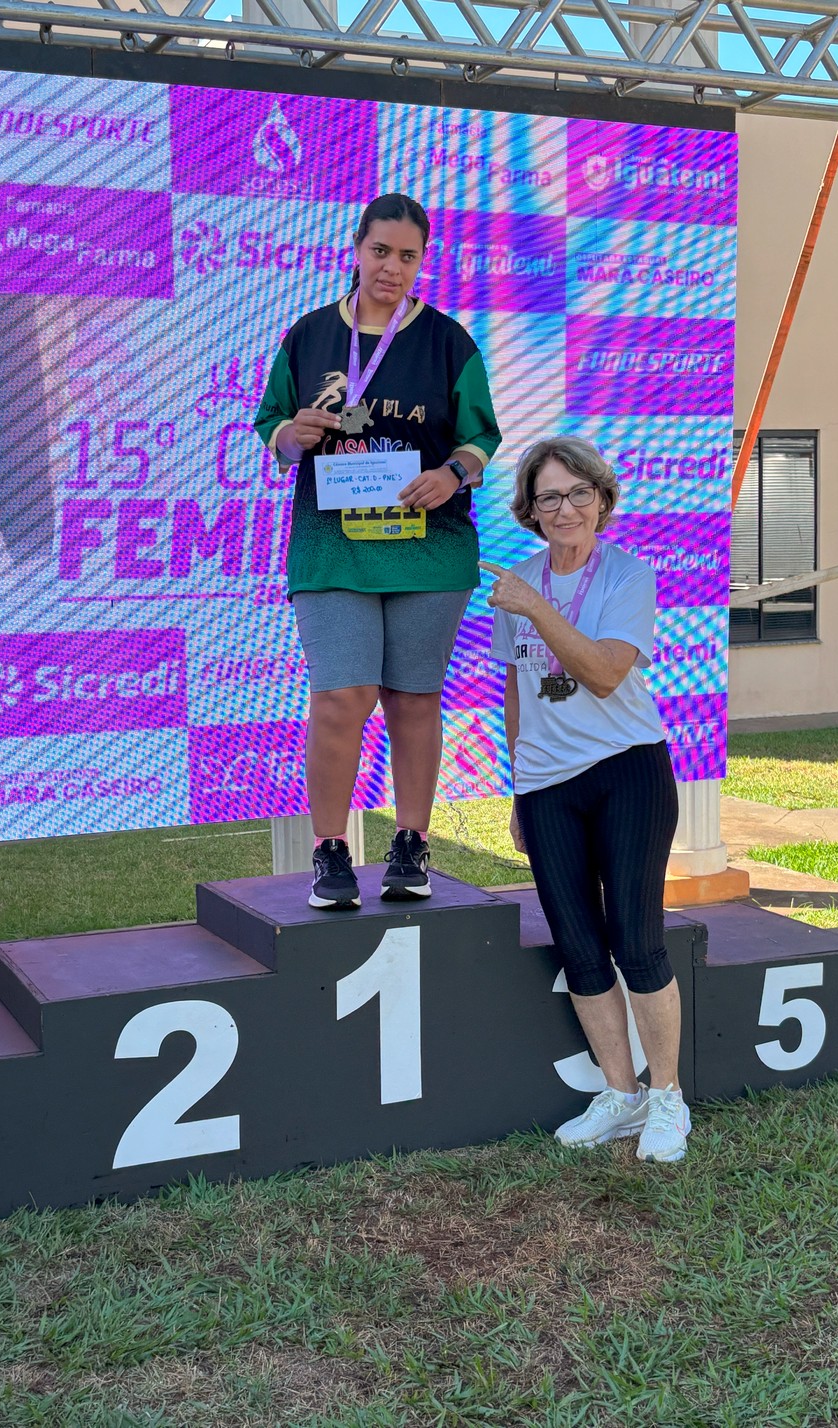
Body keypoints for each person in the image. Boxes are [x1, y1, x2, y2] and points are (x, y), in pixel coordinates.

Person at [254, 193, 502, 910]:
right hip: (334, 549)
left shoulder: (449, 342)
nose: (391, 267)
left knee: (413, 701)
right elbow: (271, 421)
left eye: (407, 256)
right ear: (354, 250)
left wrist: (450, 472)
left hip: (430, 548)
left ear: (421, 262)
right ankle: (331, 851)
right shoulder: (308, 337)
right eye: (380, 251)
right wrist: (290, 436)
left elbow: (482, 436)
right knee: (340, 698)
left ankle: (410, 843)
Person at [483, 436, 689, 1163]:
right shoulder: (519, 584)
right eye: (548, 497)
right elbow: (514, 686)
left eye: (577, 493)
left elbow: (603, 672)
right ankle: (620, 1095)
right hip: (547, 785)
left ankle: (666, 1098)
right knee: (578, 945)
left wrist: (536, 607)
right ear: (530, 512)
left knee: (635, 940)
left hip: (627, 770)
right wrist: (518, 784)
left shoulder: (626, 576)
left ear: (601, 499)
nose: (564, 508)